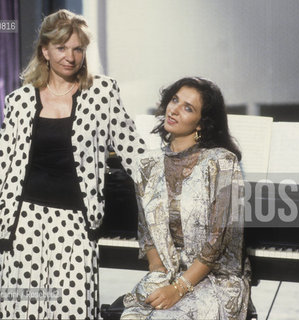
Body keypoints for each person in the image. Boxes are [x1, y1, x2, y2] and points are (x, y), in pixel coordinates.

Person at [0, 9, 145, 319]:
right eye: (61, 48)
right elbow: (2, 157)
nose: (70, 56)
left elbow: (134, 152)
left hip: (77, 222)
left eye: (77, 48)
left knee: (74, 309)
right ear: (45, 51)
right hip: (22, 220)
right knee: (23, 310)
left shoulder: (103, 93)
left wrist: (179, 179)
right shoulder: (20, 99)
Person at [121, 77, 250, 320]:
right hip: (169, 274)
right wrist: (158, 275)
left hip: (214, 279)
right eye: (175, 100)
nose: (175, 110)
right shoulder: (147, 164)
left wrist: (178, 288)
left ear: (202, 123)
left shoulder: (222, 162)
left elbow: (217, 241)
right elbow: (147, 233)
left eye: (188, 108)